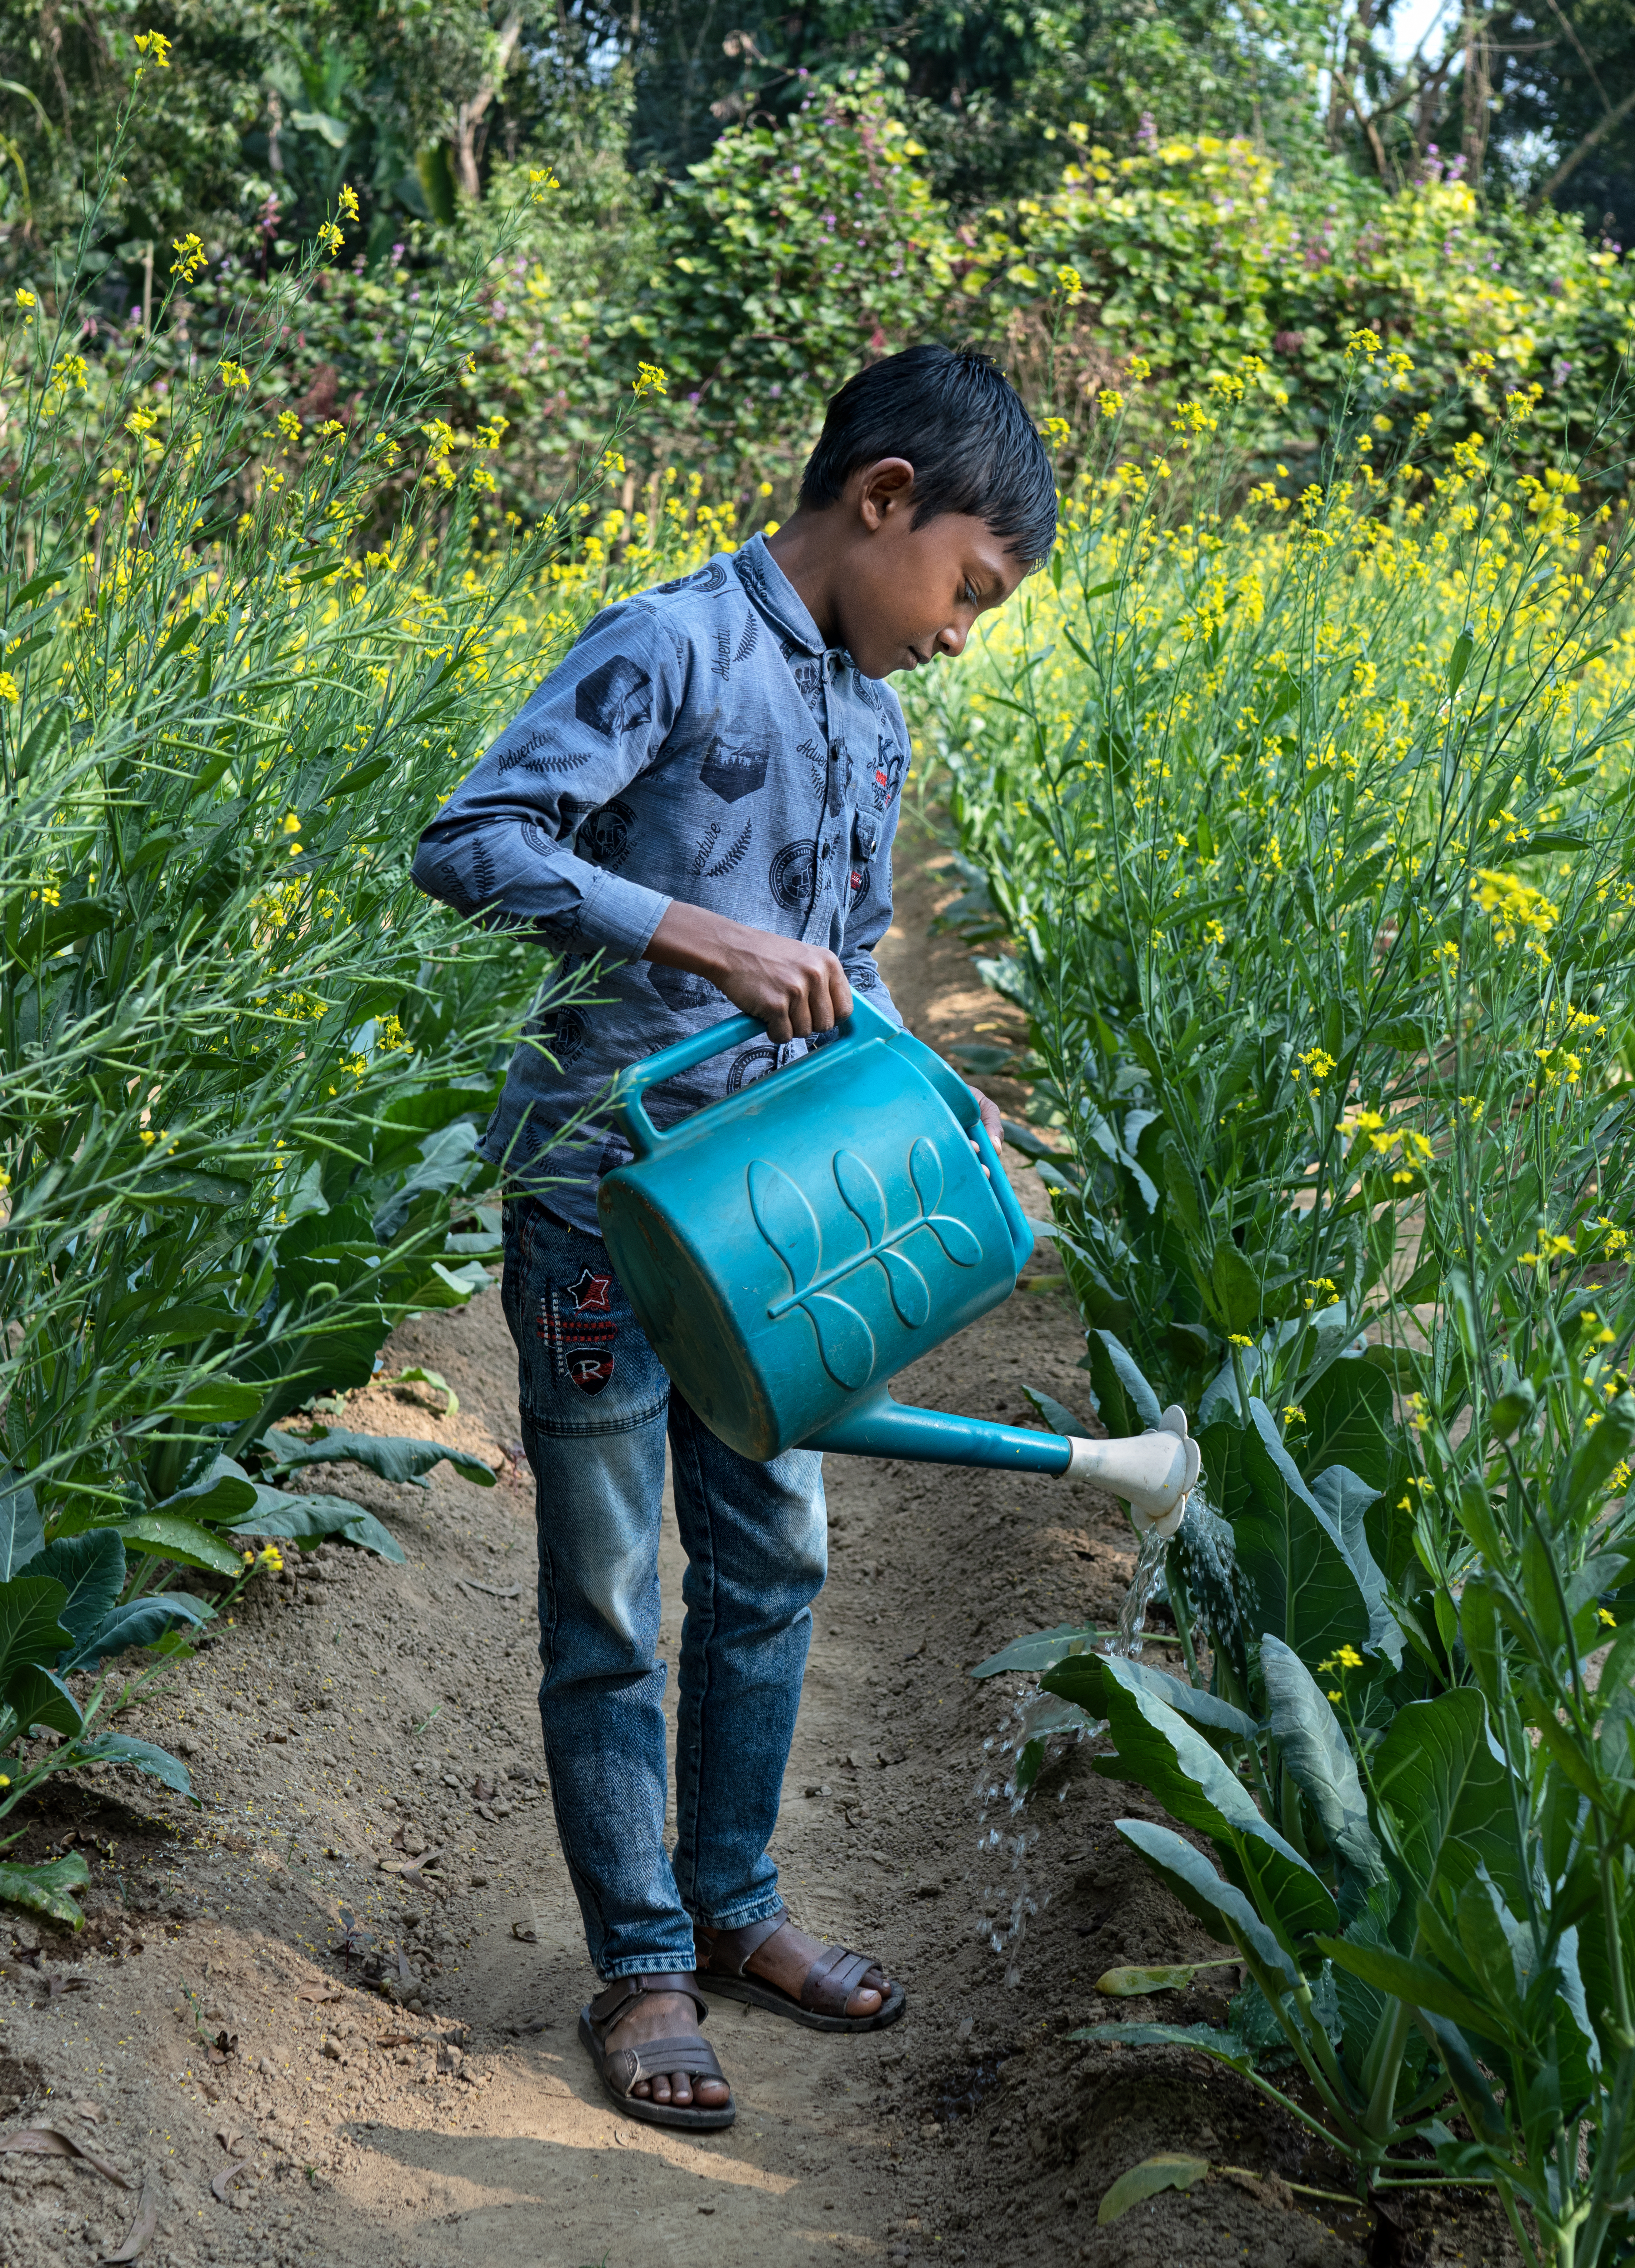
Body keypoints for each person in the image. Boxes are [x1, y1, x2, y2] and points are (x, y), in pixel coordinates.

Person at [409, 343, 1056, 2131]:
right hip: (603, 1204)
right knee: (613, 1599)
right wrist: (692, 933)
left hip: (774, 1222)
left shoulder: (878, 717)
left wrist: (944, 1097)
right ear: (884, 501)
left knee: (773, 1562)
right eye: (970, 591)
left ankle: (734, 1903)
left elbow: (845, 975)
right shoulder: (672, 647)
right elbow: (470, 842)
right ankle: (641, 1963)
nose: (962, 634)